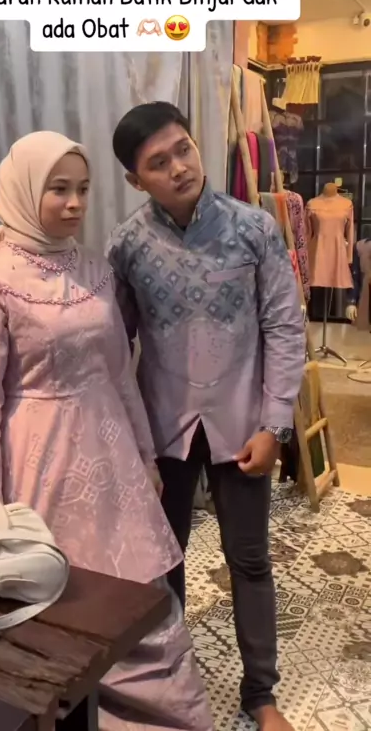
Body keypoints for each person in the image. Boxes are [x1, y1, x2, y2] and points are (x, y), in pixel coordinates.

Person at [0, 131, 214, 731]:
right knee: (54, 605)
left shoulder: (95, 268)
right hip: (36, 464)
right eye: (58, 189)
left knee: (138, 600)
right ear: (25, 192)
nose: (75, 203)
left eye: (83, 189)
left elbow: (120, 373)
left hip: (112, 456)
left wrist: (145, 457)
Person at [106, 103, 306, 731]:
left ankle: (261, 694)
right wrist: (130, 443)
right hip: (163, 431)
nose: (179, 167)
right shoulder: (127, 246)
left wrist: (275, 426)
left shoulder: (255, 228)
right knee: (164, 564)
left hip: (243, 426)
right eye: (158, 162)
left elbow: (285, 327)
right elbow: (114, 348)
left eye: (183, 149)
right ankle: (171, 684)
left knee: (249, 560)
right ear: (136, 179)